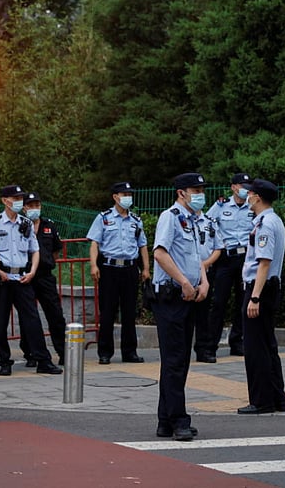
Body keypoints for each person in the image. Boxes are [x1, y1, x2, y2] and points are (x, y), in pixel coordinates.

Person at [151, 172, 210, 441]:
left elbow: (197, 255)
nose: (199, 194)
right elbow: (160, 253)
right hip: (172, 297)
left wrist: (204, 280)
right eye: (194, 189)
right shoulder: (170, 217)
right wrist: (184, 282)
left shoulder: (194, 220)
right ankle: (178, 420)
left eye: (201, 189)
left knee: (180, 360)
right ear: (181, 193)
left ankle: (165, 419)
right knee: (174, 360)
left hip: (189, 296)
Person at [0, 185, 63, 376]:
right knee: (1, 322)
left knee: (32, 320)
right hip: (3, 279)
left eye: (20, 198)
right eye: (15, 198)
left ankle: (42, 360)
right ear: (5, 200)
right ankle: (5, 361)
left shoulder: (26, 223)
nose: (19, 201)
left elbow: (35, 250)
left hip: (23, 277)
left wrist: (32, 271)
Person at [238, 179, 285, 414]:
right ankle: (278, 398)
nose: (247, 197)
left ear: (257, 197)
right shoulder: (272, 220)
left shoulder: (265, 224)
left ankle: (261, 400)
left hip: (260, 288)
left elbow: (264, 263)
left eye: (249, 194)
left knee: (256, 347)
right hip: (268, 287)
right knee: (268, 345)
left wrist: (254, 297)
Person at [87, 182, 150, 364]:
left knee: (129, 312)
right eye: (124, 194)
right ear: (115, 197)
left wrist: (145, 268)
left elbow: (142, 245)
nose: (128, 197)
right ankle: (105, 353)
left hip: (130, 269)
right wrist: (93, 265)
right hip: (109, 268)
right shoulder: (104, 218)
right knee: (107, 312)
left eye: (130, 194)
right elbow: (94, 243)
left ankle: (130, 352)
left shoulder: (136, 220)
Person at [204, 173, 254, 359]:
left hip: (246, 258)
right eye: (242, 185)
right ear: (233, 187)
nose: (246, 188)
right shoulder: (221, 206)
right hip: (225, 258)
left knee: (243, 301)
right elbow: (207, 224)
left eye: (248, 185)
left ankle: (237, 342)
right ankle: (210, 345)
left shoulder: (253, 206)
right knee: (218, 302)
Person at [21, 192, 67, 365]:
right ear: (24, 208)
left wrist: (46, 262)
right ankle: (31, 353)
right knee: (29, 316)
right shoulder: (20, 226)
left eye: (37, 205)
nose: (34, 209)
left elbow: (55, 250)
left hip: (45, 276)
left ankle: (63, 352)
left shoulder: (49, 226)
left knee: (55, 314)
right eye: (30, 205)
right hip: (26, 275)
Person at [192, 206, 219, 362]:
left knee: (203, 314)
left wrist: (206, 264)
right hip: (185, 274)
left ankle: (203, 350)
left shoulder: (210, 222)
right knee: (183, 314)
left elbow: (218, 247)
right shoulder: (179, 220)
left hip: (206, 274)